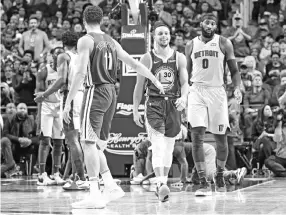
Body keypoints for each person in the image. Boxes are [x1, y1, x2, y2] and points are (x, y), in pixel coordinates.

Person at [62, 6, 165, 209]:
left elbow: (81, 73)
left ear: (84, 20)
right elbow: (135, 65)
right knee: (97, 144)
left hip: (95, 91)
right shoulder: (111, 41)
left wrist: (67, 102)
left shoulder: (85, 40)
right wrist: (155, 80)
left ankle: (94, 193)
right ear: (101, 20)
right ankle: (109, 184)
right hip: (111, 92)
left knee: (88, 143)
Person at [185, 13, 242, 196]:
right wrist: (183, 93)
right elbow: (186, 73)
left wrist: (237, 88)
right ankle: (203, 182)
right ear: (201, 23)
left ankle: (218, 175)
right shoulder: (191, 44)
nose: (210, 26)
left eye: (213, 23)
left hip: (217, 91)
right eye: (207, 22)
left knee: (221, 139)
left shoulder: (224, 42)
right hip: (197, 91)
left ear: (215, 26)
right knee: (197, 137)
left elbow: (234, 70)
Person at [133, 21, 189, 202]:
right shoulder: (147, 58)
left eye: (166, 33)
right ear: (154, 37)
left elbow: (185, 83)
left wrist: (184, 97)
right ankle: (159, 184)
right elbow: (138, 86)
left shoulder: (179, 57)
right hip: (154, 105)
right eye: (160, 34)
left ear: (170, 36)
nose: (163, 36)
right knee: (157, 144)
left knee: (168, 147)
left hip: (173, 105)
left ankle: (162, 184)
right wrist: (135, 109)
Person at [34, 31, 88, 190]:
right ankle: (77, 177)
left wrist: (44, 95)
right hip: (83, 96)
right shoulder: (82, 56)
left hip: (70, 97)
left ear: (63, 43)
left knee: (72, 141)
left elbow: (61, 80)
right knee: (78, 140)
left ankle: (80, 178)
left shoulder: (64, 56)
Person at [35, 47, 66, 186]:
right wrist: (38, 115)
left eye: (61, 54)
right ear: (51, 56)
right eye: (56, 54)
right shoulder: (44, 71)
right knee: (45, 141)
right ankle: (42, 174)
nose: (58, 56)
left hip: (60, 107)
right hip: (46, 107)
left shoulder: (66, 70)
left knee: (59, 142)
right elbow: (39, 95)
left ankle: (56, 174)